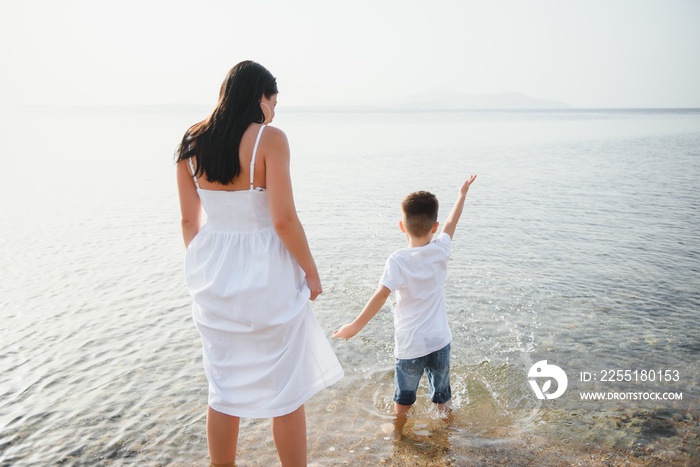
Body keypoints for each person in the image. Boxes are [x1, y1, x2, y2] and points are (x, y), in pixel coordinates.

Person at [175, 60, 344, 467]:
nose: (275, 110)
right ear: (260, 98)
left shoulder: (191, 141)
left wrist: (205, 268)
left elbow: (188, 221)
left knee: (223, 388)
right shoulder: (270, 139)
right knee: (285, 389)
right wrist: (312, 271)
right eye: (274, 101)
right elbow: (283, 220)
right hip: (267, 273)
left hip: (213, 272)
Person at [333, 175, 477, 441]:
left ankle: (398, 434)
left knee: (404, 398)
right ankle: (448, 435)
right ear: (433, 226)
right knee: (443, 397)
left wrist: (354, 326)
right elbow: (451, 222)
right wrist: (462, 194)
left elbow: (380, 295)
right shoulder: (441, 249)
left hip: (411, 346)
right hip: (440, 341)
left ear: (402, 226)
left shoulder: (397, 260)